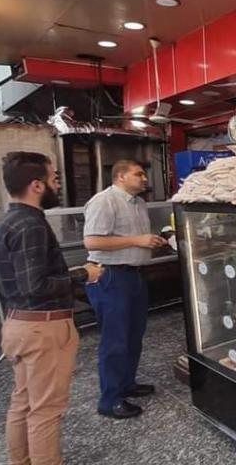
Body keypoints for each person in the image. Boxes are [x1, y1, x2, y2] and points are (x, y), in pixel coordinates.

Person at [0, 152, 102, 465]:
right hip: (43, 327)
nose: (58, 185)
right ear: (37, 185)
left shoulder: (3, 222)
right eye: (54, 179)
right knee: (46, 410)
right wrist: (84, 274)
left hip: (17, 322)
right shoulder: (30, 225)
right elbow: (35, 285)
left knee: (23, 402)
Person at [83, 160, 166, 419]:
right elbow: (92, 241)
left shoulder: (139, 203)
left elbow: (135, 241)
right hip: (111, 277)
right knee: (115, 340)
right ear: (120, 176)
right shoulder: (103, 201)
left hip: (135, 276)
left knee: (133, 335)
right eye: (138, 174)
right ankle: (110, 400)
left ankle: (127, 383)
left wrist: (152, 241)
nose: (144, 178)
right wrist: (137, 240)